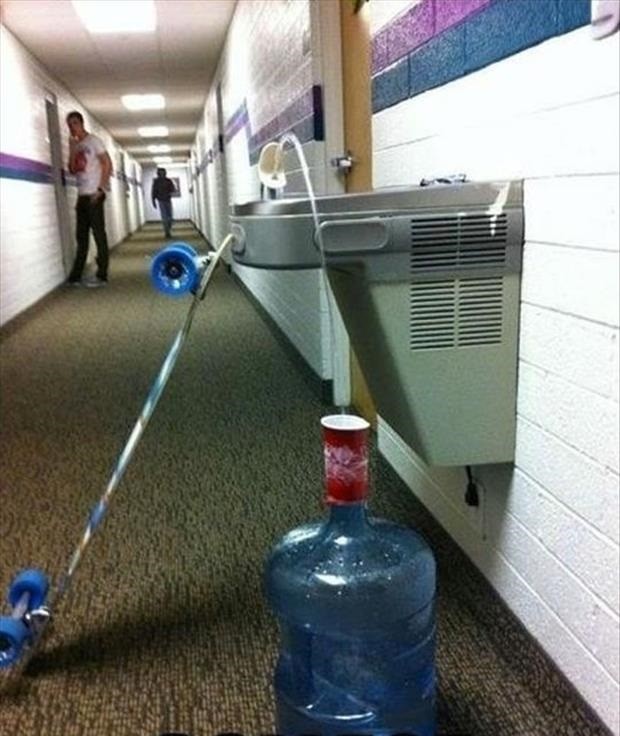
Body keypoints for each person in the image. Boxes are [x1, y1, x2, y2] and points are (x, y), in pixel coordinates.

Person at [66, 111, 113, 287]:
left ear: (82, 123)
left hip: (94, 194)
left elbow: (107, 163)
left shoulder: (94, 141)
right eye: (70, 125)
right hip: (82, 196)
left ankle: (102, 275)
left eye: (75, 123)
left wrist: (100, 188)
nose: (73, 127)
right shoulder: (77, 146)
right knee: (81, 236)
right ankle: (76, 276)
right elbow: (72, 169)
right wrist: (71, 148)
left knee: (99, 235)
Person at [151, 168, 176, 238]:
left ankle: (168, 229)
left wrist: (170, 192)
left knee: (170, 217)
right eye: (160, 173)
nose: (162, 174)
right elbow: (153, 192)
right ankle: (167, 232)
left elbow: (173, 189)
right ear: (158, 174)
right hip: (161, 200)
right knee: (164, 217)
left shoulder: (168, 181)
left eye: (163, 173)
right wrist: (153, 201)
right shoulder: (156, 182)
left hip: (168, 200)